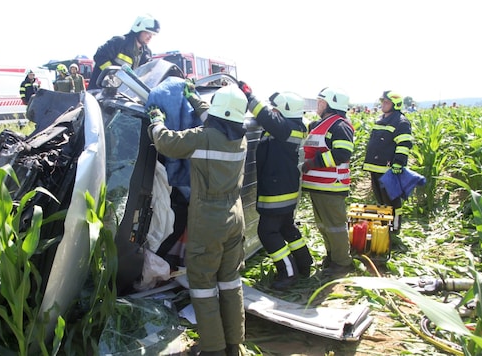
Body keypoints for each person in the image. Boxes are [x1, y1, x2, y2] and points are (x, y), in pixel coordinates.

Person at [147, 84, 247, 356]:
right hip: (235, 217)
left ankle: (213, 349)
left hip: (209, 221)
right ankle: (234, 343)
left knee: (203, 285)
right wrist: (195, 101)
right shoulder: (240, 137)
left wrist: (156, 120)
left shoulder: (202, 138)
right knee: (230, 281)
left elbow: (166, 142)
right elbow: (216, 119)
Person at [238, 82, 313, 290]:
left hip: (277, 192)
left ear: (286, 111)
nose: (273, 111)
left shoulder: (285, 128)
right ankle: (304, 263)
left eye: (277, 108)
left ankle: (288, 273)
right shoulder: (293, 127)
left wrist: (250, 97)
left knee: (268, 232)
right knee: (287, 228)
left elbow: (266, 117)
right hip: (285, 189)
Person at [301, 87, 355, 277]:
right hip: (319, 186)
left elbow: (342, 153)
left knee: (335, 226)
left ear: (331, 104)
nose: (318, 105)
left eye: (321, 102)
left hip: (332, 185)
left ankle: (342, 262)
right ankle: (332, 257)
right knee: (325, 226)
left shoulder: (339, 126)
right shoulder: (321, 124)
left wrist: (313, 162)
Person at [363, 91, 413, 235]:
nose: (383, 104)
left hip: (389, 170)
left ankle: (394, 228)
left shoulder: (401, 122)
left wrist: (398, 163)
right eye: (383, 101)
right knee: (381, 200)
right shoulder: (380, 120)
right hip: (375, 167)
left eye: (386, 102)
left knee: (393, 201)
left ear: (395, 104)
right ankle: (384, 227)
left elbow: (404, 144)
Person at [88, 14, 160, 90]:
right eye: (148, 32)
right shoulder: (119, 42)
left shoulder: (146, 54)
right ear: (138, 29)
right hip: (99, 91)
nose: (150, 37)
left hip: (122, 96)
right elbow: (100, 55)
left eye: (153, 34)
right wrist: (113, 74)